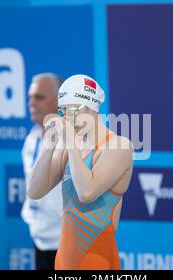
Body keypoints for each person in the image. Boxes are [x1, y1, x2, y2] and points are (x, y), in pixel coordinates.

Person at [27, 74, 134, 270]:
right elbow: (34, 191)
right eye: (62, 111)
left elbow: (87, 192)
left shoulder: (119, 146)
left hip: (96, 259)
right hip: (64, 259)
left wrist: (69, 142)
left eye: (73, 110)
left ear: (91, 108)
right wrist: (49, 146)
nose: (67, 118)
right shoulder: (70, 147)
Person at [21, 73, 64, 270]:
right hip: (40, 240)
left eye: (39, 97)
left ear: (59, 101)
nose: (31, 103)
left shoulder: (74, 142)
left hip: (68, 243)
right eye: (30, 97)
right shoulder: (32, 138)